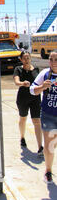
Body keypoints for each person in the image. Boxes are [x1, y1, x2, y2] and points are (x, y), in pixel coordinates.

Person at [30, 50, 57, 183]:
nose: (53, 62)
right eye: (51, 59)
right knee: (49, 145)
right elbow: (32, 90)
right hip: (49, 115)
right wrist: (42, 87)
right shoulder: (45, 73)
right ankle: (48, 170)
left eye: (56, 59)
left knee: (53, 144)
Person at [13, 50, 43, 155]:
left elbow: (41, 83)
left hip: (35, 98)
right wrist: (22, 83)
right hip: (23, 98)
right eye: (24, 58)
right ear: (21, 59)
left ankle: (40, 147)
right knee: (23, 118)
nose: (26, 60)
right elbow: (16, 82)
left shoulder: (36, 70)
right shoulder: (18, 70)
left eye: (28, 57)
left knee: (36, 121)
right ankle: (22, 137)